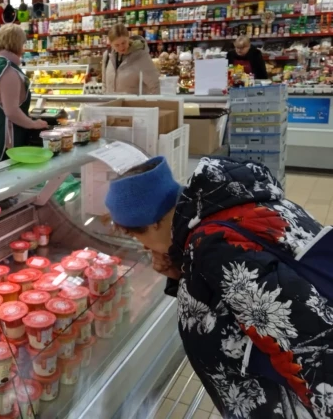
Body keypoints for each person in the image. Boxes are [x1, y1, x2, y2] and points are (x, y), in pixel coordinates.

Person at [105, 156, 331, 418]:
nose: (144, 247)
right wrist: (182, 272)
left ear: (152, 221)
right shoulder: (241, 204)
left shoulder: (216, 247)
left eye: (136, 235)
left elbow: (311, 351)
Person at [0, 24, 48, 162]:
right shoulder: (7, 70)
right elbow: (11, 111)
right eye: (23, 43)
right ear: (17, 43)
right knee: (6, 179)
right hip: (5, 142)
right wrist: (33, 124)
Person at [102, 24, 160, 95]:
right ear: (111, 44)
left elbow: (156, 85)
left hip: (134, 105)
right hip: (112, 105)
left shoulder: (140, 56)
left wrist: (158, 104)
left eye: (124, 42)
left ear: (128, 38)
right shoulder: (107, 56)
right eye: (117, 45)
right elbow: (104, 85)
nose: (121, 47)